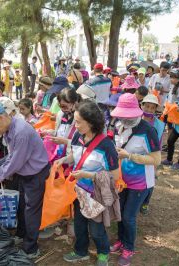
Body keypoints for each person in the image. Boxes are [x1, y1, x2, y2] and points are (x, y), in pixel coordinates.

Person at [0, 101, 50, 259]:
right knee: (24, 205)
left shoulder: (21, 132)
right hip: (25, 171)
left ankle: (31, 248)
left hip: (35, 173)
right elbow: (12, 157)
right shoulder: (9, 129)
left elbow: (14, 163)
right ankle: (23, 235)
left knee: (32, 210)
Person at [55, 100, 119, 266]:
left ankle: (103, 253)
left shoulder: (106, 145)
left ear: (91, 123)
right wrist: (63, 159)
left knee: (97, 229)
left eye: (78, 122)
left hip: (95, 194)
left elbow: (115, 175)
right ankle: (80, 251)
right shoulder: (77, 136)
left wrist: (88, 175)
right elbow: (76, 157)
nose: (74, 125)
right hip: (77, 190)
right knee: (79, 224)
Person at [110, 93, 161, 266]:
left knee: (129, 216)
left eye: (127, 116)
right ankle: (121, 240)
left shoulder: (148, 130)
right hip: (122, 179)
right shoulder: (119, 126)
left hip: (141, 182)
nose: (124, 119)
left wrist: (130, 156)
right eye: (121, 116)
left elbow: (156, 160)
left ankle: (129, 248)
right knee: (120, 213)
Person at [139, 94, 164, 215]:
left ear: (155, 110)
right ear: (141, 106)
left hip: (151, 156)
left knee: (150, 180)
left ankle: (145, 202)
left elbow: (159, 143)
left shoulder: (159, 125)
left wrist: (155, 163)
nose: (149, 110)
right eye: (147, 106)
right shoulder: (136, 119)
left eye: (152, 108)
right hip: (136, 155)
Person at [46, 88, 81, 161]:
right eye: (60, 106)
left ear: (74, 103)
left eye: (64, 106)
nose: (62, 109)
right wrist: (49, 133)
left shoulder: (81, 119)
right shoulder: (61, 114)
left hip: (72, 159)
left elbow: (83, 145)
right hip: (58, 155)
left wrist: (65, 141)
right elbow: (58, 133)